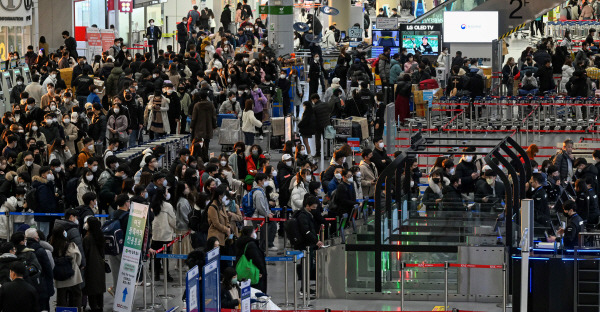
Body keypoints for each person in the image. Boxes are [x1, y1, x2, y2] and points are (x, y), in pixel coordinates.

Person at [294, 194, 324, 296]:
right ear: (308, 206)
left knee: (309, 266)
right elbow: (306, 231)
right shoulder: (303, 216)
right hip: (305, 245)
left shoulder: (307, 215)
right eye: (313, 207)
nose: (315, 210)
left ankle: (306, 287)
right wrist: (316, 241)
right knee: (306, 266)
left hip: (309, 244)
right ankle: (303, 288)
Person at [50, 224, 83, 310]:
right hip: (73, 276)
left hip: (59, 277)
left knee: (61, 299)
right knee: (76, 296)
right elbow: (78, 259)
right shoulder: (70, 245)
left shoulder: (52, 246)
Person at [151, 187, 176, 281]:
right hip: (166, 235)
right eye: (166, 192)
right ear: (163, 194)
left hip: (155, 234)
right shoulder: (168, 206)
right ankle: (166, 274)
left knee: (156, 256)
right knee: (165, 256)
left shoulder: (152, 205)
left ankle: (156, 274)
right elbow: (172, 220)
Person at [82, 217, 105, 312]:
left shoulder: (87, 238)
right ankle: (100, 306)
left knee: (91, 288)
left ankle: (93, 307)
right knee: (99, 287)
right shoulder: (100, 236)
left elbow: (84, 253)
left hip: (90, 266)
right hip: (100, 265)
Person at [235, 226, 266, 292]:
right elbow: (257, 259)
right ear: (250, 234)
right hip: (253, 273)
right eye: (253, 232)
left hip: (243, 271)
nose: (255, 234)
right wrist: (262, 271)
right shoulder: (251, 244)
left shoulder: (240, 242)